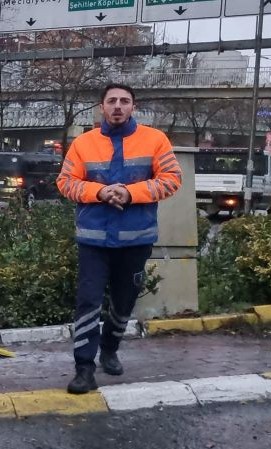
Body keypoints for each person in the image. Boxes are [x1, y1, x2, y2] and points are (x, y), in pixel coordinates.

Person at [57, 83, 182, 394]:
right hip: (93, 241)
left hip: (136, 240)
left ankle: (110, 349)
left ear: (133, 107)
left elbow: (171, 179)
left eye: (124, 101)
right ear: (102, 107)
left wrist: (130, 192)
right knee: (88, 302)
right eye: (111, 100)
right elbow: (65, 182)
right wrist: (98, 191)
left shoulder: (155, 140)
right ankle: (84, 368)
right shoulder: (84, 144)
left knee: (123, 301)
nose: (117, 106)